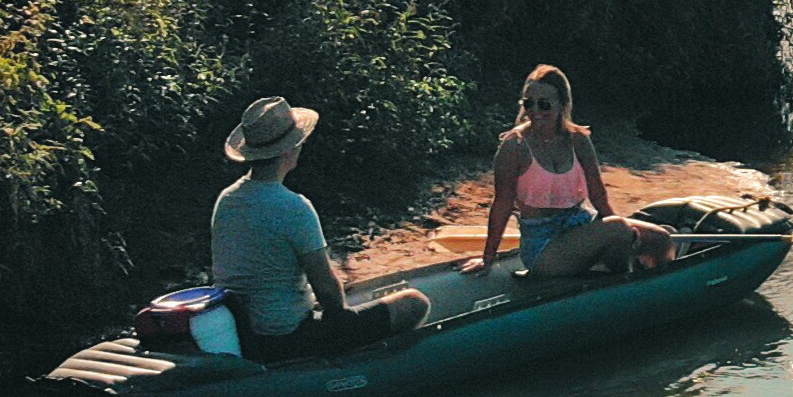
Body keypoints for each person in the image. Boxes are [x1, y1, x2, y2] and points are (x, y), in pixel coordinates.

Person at [211, 96, 429, 358]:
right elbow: (326, 287)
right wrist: (344, 322)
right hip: (285, 337)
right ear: (290, 150)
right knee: (414, 302)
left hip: (242, 333)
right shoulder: (293, 207)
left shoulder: (227, 199)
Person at [462, 66, 674, 280]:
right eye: (529, 103)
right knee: (618, 229)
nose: (535, 111)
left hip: (581, 224)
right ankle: (620, 281)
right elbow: (502, 203)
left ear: (562, 105)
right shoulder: (515, 146)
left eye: (544, 104)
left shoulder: (578, 140)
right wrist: (488, 257)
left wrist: (619, 235)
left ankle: (647, 283)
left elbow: (598, 195)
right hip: (544, 246)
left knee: (661, 239)